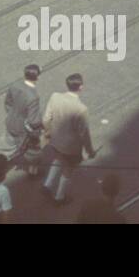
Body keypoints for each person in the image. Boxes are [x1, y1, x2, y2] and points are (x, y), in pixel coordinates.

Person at [41, 73, 95, 205]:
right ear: (80, 87)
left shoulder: (55, 96)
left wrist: (48, 133)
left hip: (55, 140)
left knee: (59, 158)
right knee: (68, 170)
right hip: (71, 148)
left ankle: (47, 185)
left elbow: (46, 119)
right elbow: (84, 135)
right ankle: (59, 197)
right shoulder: (81, 109)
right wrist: (90, 151)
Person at [0, 64, 43, 172]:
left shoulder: (15, 85)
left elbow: (8, 103)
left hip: (10, 122)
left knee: (5, 146)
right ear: (37, 77)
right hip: (22, 130)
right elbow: (33, 121)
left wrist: (12, 115)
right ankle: (32, 171)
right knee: (34, 150)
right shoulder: (33, 97)